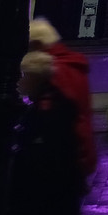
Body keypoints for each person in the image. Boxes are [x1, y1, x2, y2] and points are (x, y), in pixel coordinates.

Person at [7, 51, 85, 215]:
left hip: (45, 203)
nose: (20, 81)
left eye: (24, 75)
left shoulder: (48, 110)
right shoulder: (45, 105)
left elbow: (48, 159)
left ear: (36, 77)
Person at [28, 17, 96, 181]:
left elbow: (59, 115)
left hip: (67, 154)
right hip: (78, 150)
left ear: (37, 43)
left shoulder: (53, 69)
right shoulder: (70, 63)